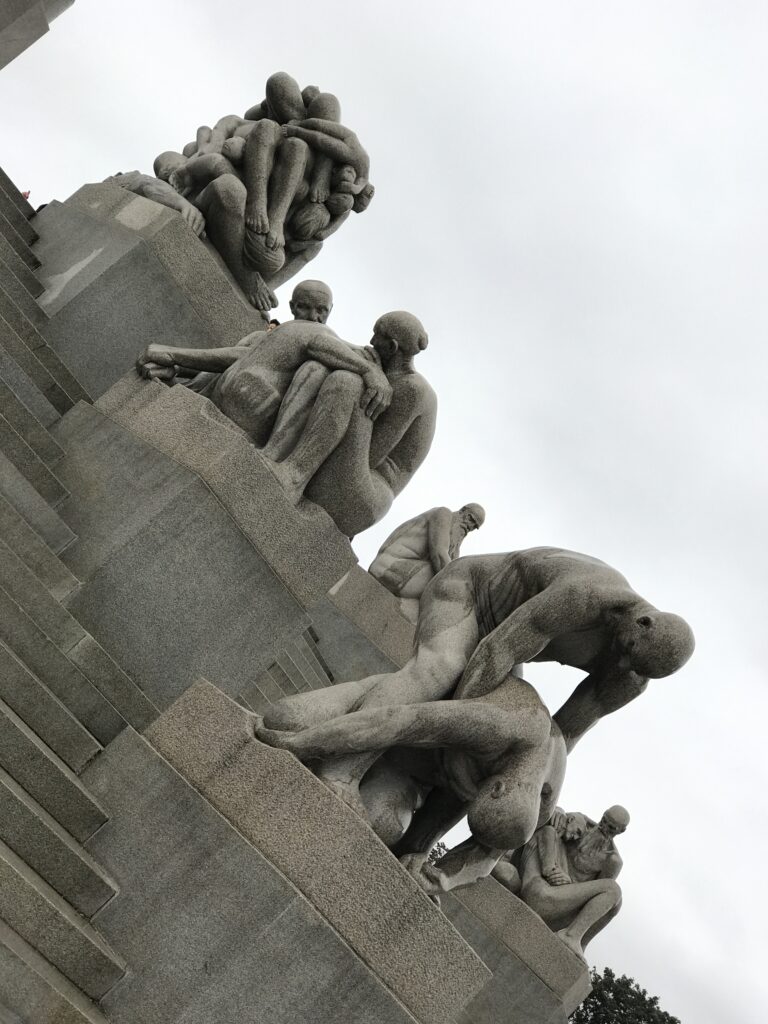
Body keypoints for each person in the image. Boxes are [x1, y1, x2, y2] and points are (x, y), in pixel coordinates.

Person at [258, 547, 694, 808]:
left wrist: (532, 790)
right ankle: (340, 772)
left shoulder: (630, 676)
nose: (620, 666)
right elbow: (497, 649)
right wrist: (455, 731)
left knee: (508, 732)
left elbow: (560, 738)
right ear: (644, 623)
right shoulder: (587, 595)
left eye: (635, 670)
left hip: (510, 642)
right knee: (439, 670)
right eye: (627, 653)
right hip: (470, 596)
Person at [136, 310, 435, 536]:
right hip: (340, 467)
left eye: (376, 336)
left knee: (345, 381)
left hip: (363, 496)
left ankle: (293, 475)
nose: (370, 341)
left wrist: (362, 370)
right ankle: (275, 458)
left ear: (392, 346)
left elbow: (372, 455)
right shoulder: (378, 366)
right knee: (322, 366)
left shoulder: (412, 391)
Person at [519, 805, 628, 959]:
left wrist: (569, 883)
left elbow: (593, 902)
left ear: (620, 831)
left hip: (563, 906)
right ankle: (571, 937)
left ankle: (576, 939)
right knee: (613, 891)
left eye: (610, 828)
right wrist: (559, 811)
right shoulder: (579, 821)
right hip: (542, 889)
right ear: (602, 815)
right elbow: (552, 820)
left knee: (615, 900)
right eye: (603, 821)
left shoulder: (612, 861)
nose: (603, 828)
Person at [369, 503, 486, 621]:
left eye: (475, 526)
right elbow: (439, 555)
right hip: (386, 567)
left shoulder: (455, 547)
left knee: (451, 580)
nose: (469, 526)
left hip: (408, 573)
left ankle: (407, 614)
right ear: (463, 511)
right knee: (447, 578)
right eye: (471, 519)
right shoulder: (443, 514)